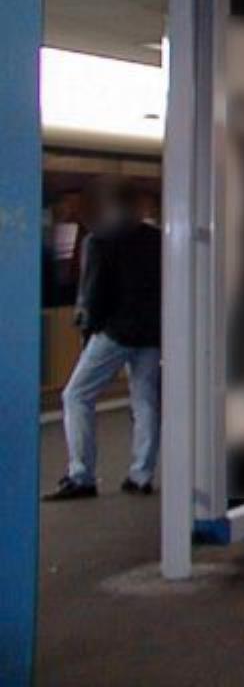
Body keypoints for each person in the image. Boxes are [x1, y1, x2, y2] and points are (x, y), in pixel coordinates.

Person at [45, 177, 162, 501]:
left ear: (110, 204)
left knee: (76, 395)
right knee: (145, 401)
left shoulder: (99, 239)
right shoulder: (158, 240)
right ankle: (141, 475)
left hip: (115, 332)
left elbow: (93, 293)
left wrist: (89, 329)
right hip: (152, 333)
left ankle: (81, 475)